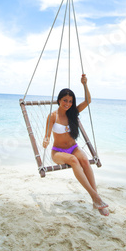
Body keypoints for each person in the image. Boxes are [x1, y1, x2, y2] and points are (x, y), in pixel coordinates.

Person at [43, 74, 109, 216]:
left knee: (84, 160)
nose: (68, 103)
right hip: (58, 151)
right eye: (65, 100)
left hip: (74, 148)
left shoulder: (73, 113)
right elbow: (47, 135)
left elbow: (88, 100)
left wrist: (85, 84)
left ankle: (96, 200)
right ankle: (95, 197)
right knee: (74, 160)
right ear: (59, 100)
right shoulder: (53, 116)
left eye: (70, 101)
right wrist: (45, 140)